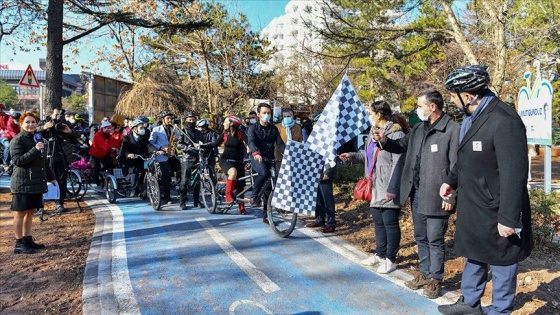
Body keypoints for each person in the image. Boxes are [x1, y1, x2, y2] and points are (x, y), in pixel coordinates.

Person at [437, 65, 533, 315]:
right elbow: (466, 158)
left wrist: (509, 217)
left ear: (467, 96)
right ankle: (470, 303)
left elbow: (515, 173)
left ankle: (501, 310)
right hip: (474, 204)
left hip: (497, 207)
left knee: (502, 259)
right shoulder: (472, 118)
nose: (450, 99)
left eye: (452, 94)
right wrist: (450, 180)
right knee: (473, 252)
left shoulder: (504, 120)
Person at [373, 89, 460, 299]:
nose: (417, 109)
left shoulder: (451, 129)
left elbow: (458, 165)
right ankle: (424, 273)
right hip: (417, 192)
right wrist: (384, 140)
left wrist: (451, 194)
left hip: (439, 193)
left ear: (433, 107)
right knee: (420, 236)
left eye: (420, 105)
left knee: (435, 238)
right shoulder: (419, 129)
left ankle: (435, 279)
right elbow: (399, 146)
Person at [340, 100, 408, 274]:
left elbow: (398, 163)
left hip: (388, 185)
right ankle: (380, 254)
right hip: (373, 184)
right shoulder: (373, 133)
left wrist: (393, 188)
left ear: (379, 115)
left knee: (389, 223)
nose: (368, 116)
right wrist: (353, 156)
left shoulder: (395, 134)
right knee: (378, 221)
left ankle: (391, 259)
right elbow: (369, 157)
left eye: (370, 113)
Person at [10, 112, 57, 254]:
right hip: (22, 182)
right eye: (27, 122)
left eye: (33, 122)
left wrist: (51, 177)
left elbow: (43, 162)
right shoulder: (17, 140)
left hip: (35, 182)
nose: (31, 125)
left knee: (30, 212)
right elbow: (18, 161)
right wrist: (35, 150)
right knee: (20, 213)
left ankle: (27, 239)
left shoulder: (38, 138)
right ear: (21, 124)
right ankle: (19, 243)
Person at [197, 115, 247, 214]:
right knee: (233, 172)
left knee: (241, 185)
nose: (223, 123)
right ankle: (227, 195)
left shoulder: (241, 133)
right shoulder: (224, 134)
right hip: (225, 159)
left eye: (225, 121)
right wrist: (201, 145)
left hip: (238, 160)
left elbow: (249, 143)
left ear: (231, 123)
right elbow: (214, 144)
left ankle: (241, 206)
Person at [247, 103, 285, 223]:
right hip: (257, 158)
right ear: (258, 115)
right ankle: (254, 195)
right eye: (264, 113)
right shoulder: (253, 128)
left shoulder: (273, 128)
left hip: (270, 158)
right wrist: (256, 153)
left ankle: (266, 215)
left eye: (269, 113)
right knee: (264, 173)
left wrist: (289, 153)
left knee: (269, 187)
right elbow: (251, 142)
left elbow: (280, 144)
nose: (267, 115)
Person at [39, 108, 81, 212]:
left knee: (61, 181)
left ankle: (59, 202)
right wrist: (45, 127)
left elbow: (78, 135)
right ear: (51, 114)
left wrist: (69, 131)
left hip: (62, 156)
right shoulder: (44, 122)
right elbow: (35, 131)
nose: (58, 117)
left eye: (60, 115)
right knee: (43, 179)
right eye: (56, 115)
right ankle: (40, 204)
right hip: (47, 155)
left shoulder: (64, 124)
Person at [149, 110, 181, 205]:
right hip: (162, 155)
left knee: (180, 169)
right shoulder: (156, 130)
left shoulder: (173, 129)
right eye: (168, 118)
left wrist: (176, 140)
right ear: (163, 119)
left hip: (172, 154)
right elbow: (151, 142)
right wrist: (161, 148)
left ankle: (180, 191)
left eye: (171, 118)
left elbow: (179, 140)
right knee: (166, 176)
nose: (170, 120)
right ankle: (167, 197)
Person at [176, 111, 204, 210]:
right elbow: (179, 144)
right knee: (184, 180)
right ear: (186, 121)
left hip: (198, 157)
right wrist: (188, 147)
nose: (192, 121)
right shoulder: (182, 131)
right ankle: (182, 201)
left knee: (198, 181)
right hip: (187, 158)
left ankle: (197, 200)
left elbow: (203, 143)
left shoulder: (199, 132)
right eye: (189, 120)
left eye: (193, 120)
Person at [305, 158, 338, 233]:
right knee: (317, 198)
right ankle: (320, 219)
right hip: (316, 171)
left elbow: (331, 155)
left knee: (327, 199)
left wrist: (328, 171)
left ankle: (331, 223)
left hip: (324, 172)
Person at [121, 119, 150, 197]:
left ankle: (142, 186)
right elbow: (124, 150)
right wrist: (129, 154)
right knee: (135, 171)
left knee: (147, 169)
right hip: (131, 160)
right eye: (141, 128)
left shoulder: (144, 138)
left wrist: (155, 151)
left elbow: (148, 147)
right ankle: (134, 189)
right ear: (134, 129)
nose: (143, 130)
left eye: (143, 128)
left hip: (142, 158)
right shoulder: (127, 138)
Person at [89, 121, 120, 192]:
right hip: (95, 155)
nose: (110, 130)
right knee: (95, 169)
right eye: (108, 128)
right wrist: (110, 148)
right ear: (103, 128)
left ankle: (103, 173)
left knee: (111, 163)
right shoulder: (98, 135)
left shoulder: (108, 135)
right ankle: (97, 184)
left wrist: (115, 149)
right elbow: (102, 144)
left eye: (110, 128)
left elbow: (111, 143)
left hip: (104, 155)